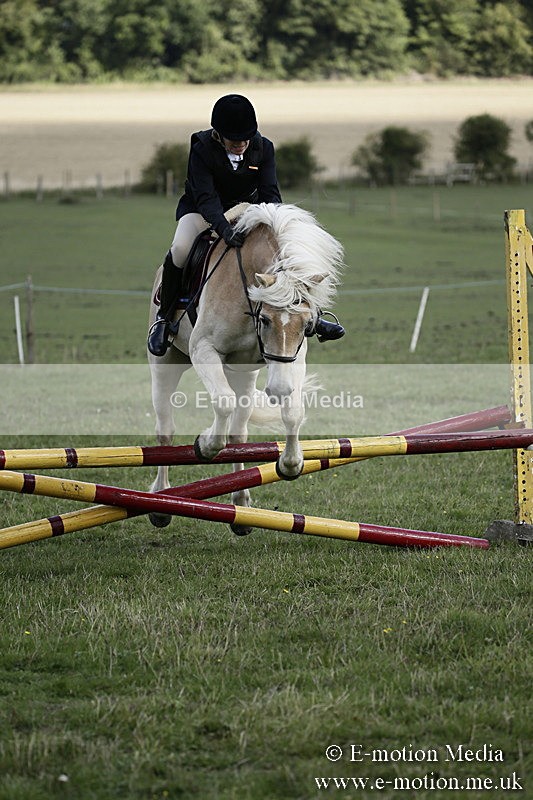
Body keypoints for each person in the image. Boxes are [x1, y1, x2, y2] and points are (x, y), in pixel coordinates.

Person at [147, 94, 345, 356]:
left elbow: (270, 193)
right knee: (180, 249)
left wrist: (274, 224)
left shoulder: (263, 148)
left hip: (249, 212)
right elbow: (205, 196)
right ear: (218, 135)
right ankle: (164, 318)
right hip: (202, 213)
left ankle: (314, 317)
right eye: (233, 140)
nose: (241, 145)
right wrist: (223, 228)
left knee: (283, 255)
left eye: (245, 139)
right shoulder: (202, 148)